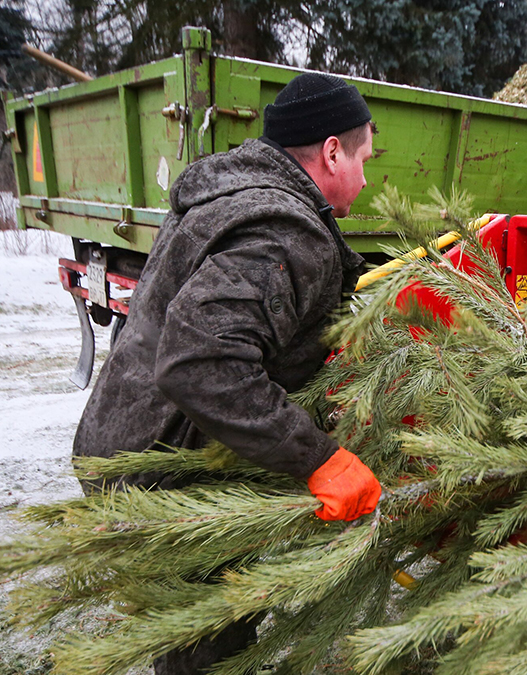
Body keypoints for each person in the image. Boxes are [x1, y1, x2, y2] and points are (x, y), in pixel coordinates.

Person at [71, 72, 384, 674]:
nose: (366, 179)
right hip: (166, 472)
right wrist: (319, 458)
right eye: (364, 159)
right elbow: (203, 362)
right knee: (208, 648)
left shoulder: (233, 194)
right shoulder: (285, 231)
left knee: (190, 635)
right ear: (332, 151)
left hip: (123, 440)